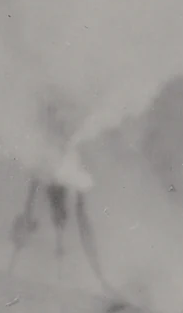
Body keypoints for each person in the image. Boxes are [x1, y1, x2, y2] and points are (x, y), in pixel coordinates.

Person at [8, 97, 114, 297]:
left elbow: (83, 224)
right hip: (41, 264)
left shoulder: (71, 166)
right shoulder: (42, 166)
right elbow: (28, 213)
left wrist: (99, 276)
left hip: (63, 265)